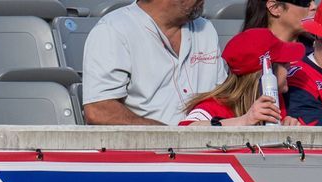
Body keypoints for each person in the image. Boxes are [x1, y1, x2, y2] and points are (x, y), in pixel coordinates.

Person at [82, 0, 227, 125]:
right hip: (143, 152)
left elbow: (223, 96)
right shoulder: (113, 29)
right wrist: (167, 136)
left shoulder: (206, 29)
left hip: (207, 148)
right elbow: (99, 110)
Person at [180, 28, 305, 125]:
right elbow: (186, 131)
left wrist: (289, 130)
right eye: (284, 62)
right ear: (266, 72)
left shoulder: (278, 99)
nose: (290, 65)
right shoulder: (215, 106)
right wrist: (244, 121)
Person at [242, 0, 314, 42]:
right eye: (305, 1)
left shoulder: (320, 51)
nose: (314, 6)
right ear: (275, 8)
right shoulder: (250, 59)